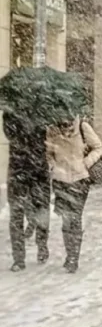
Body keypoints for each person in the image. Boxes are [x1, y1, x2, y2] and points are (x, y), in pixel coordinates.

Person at [46, 115, 102, 273]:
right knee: (66, 219)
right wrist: (52, 166)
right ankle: (70, 253)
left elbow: (98, 147)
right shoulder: (52, 130)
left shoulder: (83, 127)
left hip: (80, 180)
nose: (66, 126)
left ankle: (73, 258)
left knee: (75, 217)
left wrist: (86, 162)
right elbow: (49, 153)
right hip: (61, 180)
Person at [4, 111, 49, 272]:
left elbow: (47, 135)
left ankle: (42, 245)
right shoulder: (12, 111)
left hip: (37, 170)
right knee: (16, 214)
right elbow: (9, 133)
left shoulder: (43, 107)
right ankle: (19, 257)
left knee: (41, 209)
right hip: (19, 170)